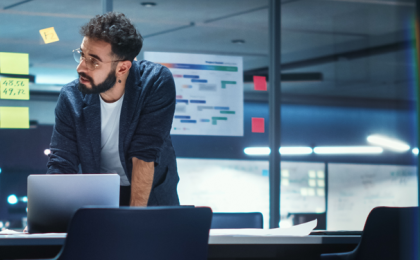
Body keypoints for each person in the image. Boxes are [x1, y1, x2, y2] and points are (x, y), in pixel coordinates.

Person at [46, 12, 180, 207]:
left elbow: (143, 155)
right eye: (82, 55)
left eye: (93, 61)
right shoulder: (71, 97)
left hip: (151, 194)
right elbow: (62, 162)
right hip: (101, 196)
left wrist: (134, 221)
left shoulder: (155, 82)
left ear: (123, 68)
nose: (81, 68)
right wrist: (47, 213)